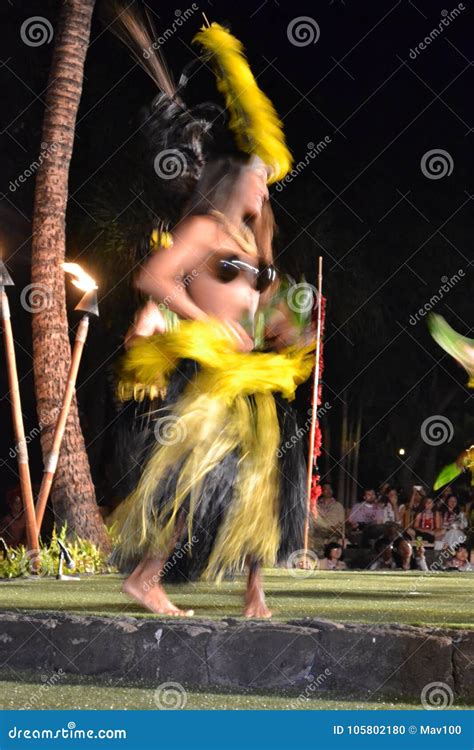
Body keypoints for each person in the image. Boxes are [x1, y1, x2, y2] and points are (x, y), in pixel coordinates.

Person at [109, 9, 313, 618]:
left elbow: (265, 300)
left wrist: (287, 324)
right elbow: (153, 277)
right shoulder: (204, 228)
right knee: (198, 480)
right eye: (259, 179)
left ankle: (255, 596)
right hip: (205, 374)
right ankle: (145, 578)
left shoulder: (255, 242)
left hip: (246, 373)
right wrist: (203, 319)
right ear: (234, 179)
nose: (265, 188)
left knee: (259, 485)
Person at [311, 483, 345, 554]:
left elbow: (341, 522)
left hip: (333, 530)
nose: (329, 491)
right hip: (320, 530)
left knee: (332, 538)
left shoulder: (338, 505)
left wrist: (335, 528)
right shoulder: (317, 505)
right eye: (326, 489)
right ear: (322, 491)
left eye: (330, 489)